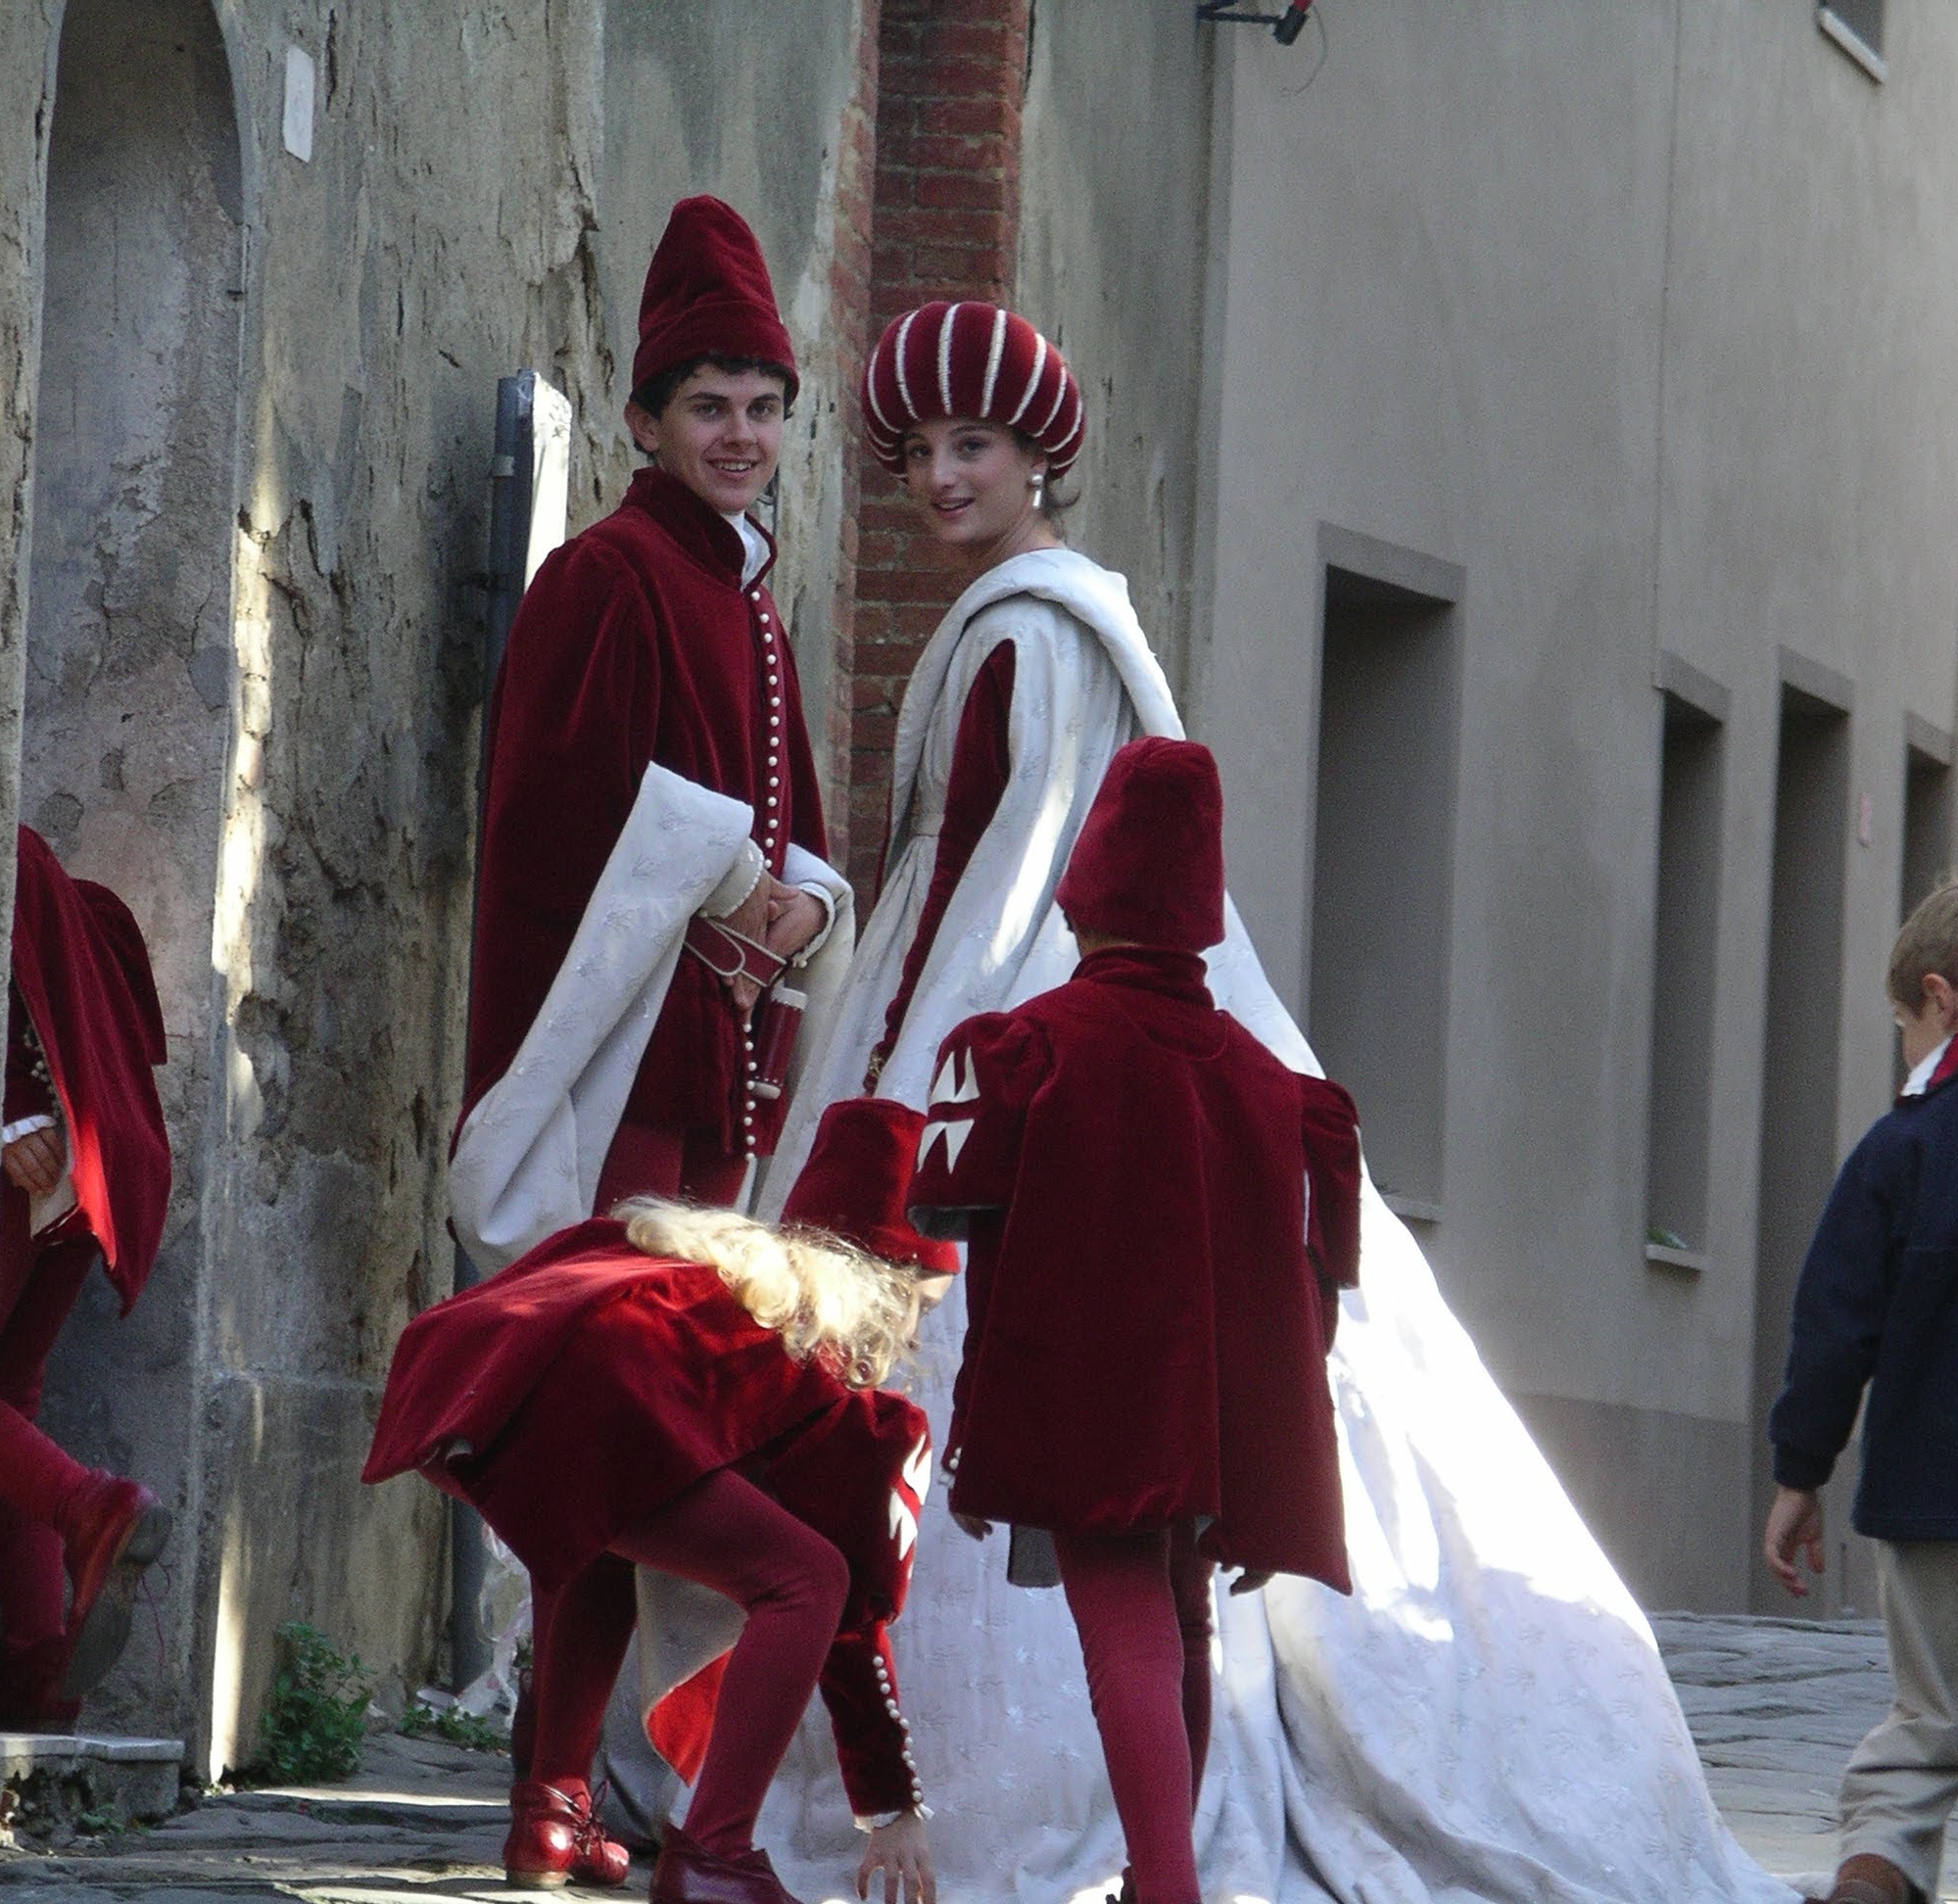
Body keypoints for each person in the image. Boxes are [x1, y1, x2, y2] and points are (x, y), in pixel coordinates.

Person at [739, 302, 1791, 1903]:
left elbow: (986, 878)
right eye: (923, 451)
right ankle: (1167, 1841)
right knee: (1168, 1559)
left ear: (1040, 459)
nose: (944, 476)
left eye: (977, 445)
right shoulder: (1073, 627)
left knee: (1021, 1496)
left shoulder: (1028, 632)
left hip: (1047, 1097)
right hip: (1142, 1122)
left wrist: (894, 1069)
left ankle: (1073, 1825)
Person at [908, 738, 1362, 1904]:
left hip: (1092, 1396)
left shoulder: (1026, 1050)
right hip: (1217, 1411)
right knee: (1181, 1617)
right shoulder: (1280, 1090)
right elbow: (1320, 1285)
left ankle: (1163, 1885)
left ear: (1089, 885)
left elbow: (940, 1205)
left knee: (1129, 1627)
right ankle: (1156, 1872)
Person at [365, 1100, 954, 1904]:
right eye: (921, 1304)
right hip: (552, 1407)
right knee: (810, 1577)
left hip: (465, 1387)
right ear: (887, 1285)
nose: (917, 1335)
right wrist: (890, 1802)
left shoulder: (709, 1266)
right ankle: (712, 1852)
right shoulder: (817, 1346)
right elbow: (856, 1607)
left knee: (610, 1526)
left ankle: (550, 1813)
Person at [453, 194, 850, 1277]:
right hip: (628, 1058)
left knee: (694, 1339)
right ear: (644, 422)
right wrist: (732, 882)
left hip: (722, 1053)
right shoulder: (607, 575)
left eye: (764, 410)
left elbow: (791, 811)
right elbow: (554, 813)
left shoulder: (751, 597)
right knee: (607, 1332)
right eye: (710, 408)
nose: (741, 438)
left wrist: (807, 901)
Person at [1763, 867, 1958, 1904]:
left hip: (1939, 1500)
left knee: (1931, 1721)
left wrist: (1801, 1470)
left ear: (1941, 1000)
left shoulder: (1906, 1144)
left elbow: (1833, 1324)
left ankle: (1874, 1876)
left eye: (1904, 1022)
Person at [0, 826, 175, 1730]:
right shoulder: (48, 874)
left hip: (34, 1152)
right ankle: (39, 1665)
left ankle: (90, 1508)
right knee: (7, 1400)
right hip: (97, 1165)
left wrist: (11, 1107)